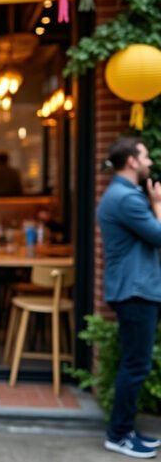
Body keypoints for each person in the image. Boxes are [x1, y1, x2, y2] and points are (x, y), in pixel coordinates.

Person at [98, 136, 161, 459]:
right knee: (135, 365)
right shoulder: (125, 198)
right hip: (134, 291)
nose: (150, 162)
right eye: (146, 156)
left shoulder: (126, 195)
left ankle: (126, 430)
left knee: (135, 363)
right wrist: (159, 205)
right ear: (133, 161)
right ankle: (119, 435)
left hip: (135, 289)